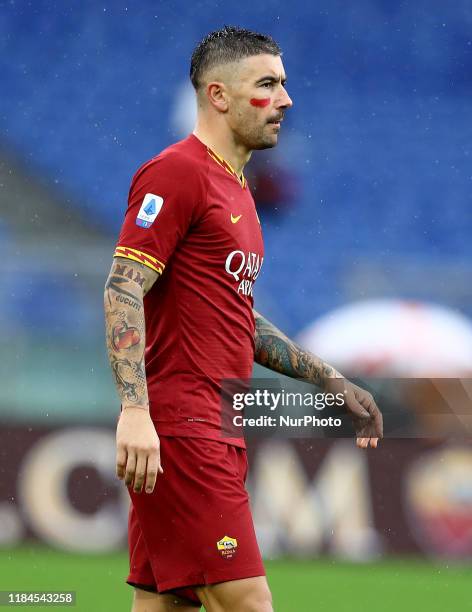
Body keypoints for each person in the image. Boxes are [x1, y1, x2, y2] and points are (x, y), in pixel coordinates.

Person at [103, 25, 383, 612]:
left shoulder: (236, 190)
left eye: (284, 84)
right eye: (268, 85)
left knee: (165, 605)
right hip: (183, 431)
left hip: (213, 424)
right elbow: (123, 288)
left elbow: (239, 319)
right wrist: (135, 410)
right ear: (218, 95)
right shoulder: (177, 172)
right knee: (249, 601)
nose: (285, 100)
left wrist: (329, 380)